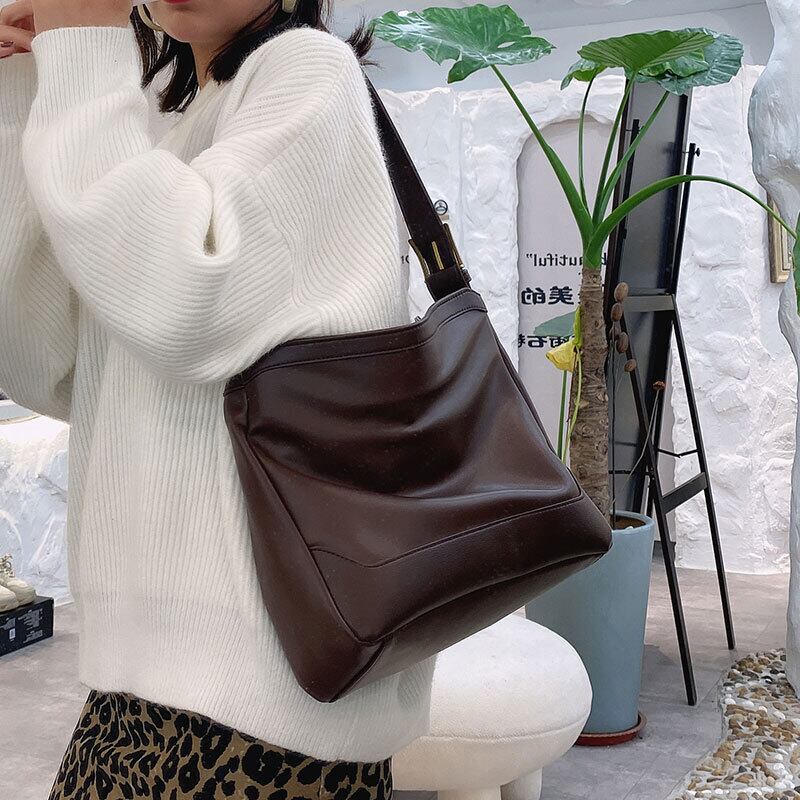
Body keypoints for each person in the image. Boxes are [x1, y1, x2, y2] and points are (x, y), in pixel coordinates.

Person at [0, 1, 435, 797]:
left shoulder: (308, 73)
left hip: (270, 702)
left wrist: (86, 55)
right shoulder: (177, 129)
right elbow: (46, 361)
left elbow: (184, 300)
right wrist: (28, 88)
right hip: (143, 685)